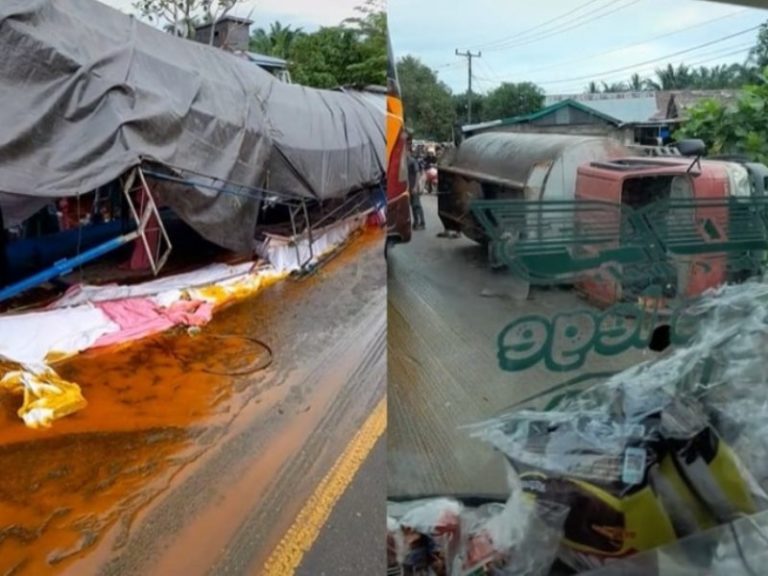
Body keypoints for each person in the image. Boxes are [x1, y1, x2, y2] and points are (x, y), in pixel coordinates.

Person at [407, 135, 425, 230]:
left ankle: (421, 223)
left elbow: (417, 174)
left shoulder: (412, 161)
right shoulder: (405, 162)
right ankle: (416, 222)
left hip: (414, 186)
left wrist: (415, 186)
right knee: (413, 206)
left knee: (417, 205)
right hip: (409, 187)